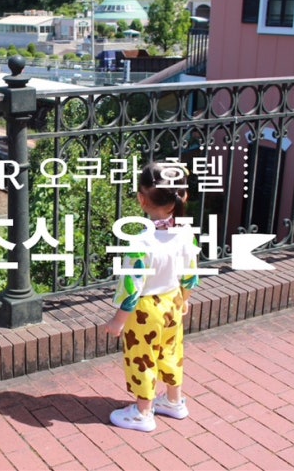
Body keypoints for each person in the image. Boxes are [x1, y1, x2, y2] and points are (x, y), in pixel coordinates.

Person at [106, 161, 199, 432]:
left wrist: (118, 321)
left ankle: (143, 412)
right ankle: (174, 401)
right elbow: (191, 274)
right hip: (173, 302)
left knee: (142, 358)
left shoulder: (141, 243)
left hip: (146, 311)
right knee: (172, 351)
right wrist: (185, 299)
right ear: (182, 197)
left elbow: (132, 288)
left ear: (142, 199)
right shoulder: (186, 233)